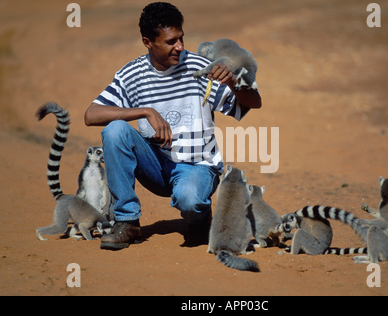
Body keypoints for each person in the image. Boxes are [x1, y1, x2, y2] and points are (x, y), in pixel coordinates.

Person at [85, 2, 262, 250]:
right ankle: (127, 222)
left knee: (190, 200)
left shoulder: (200, 68)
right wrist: (146, 111)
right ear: (148, 42)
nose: (179, 46)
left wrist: (233, 82)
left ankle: (199, 218)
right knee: (115, 130)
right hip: (156, 166)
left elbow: (254, 103)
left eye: (181, 38)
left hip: (196, 165)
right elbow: (91, 115)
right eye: (170, 42)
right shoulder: (132, 74)